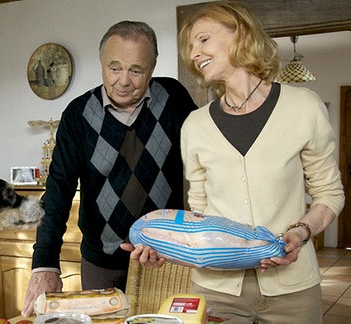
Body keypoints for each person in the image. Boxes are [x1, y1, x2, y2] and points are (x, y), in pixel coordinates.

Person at [129, 2, 344, 323]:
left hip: (292, 290)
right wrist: (167, 248)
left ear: (240, 34)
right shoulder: (195, 126)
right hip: (217, 292)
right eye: (190, 46)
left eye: (203, 39)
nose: (194, 54)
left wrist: (302, 230)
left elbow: (329, 193)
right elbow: (198, 220)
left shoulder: (304, 108)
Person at [21, 20, 197, 317]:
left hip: (165, 258)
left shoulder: (175, 99)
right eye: (114, 68)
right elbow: (58, 191)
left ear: (153, 67)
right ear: (101, 62)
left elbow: (206, 161)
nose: (124, 81)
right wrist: (44, 264)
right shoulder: (78, 115)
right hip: (101, 262)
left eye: (136, 70)